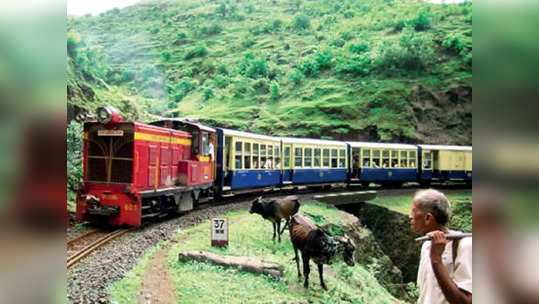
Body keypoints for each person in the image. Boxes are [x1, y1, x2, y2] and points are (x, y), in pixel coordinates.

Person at [409, 189, 472, 304]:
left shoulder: (465, 246)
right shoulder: (427, 245)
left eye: (413, 211)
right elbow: (426, 294)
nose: (410, 216)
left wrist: (436, 260)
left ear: (428, 218)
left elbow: (466, 301)